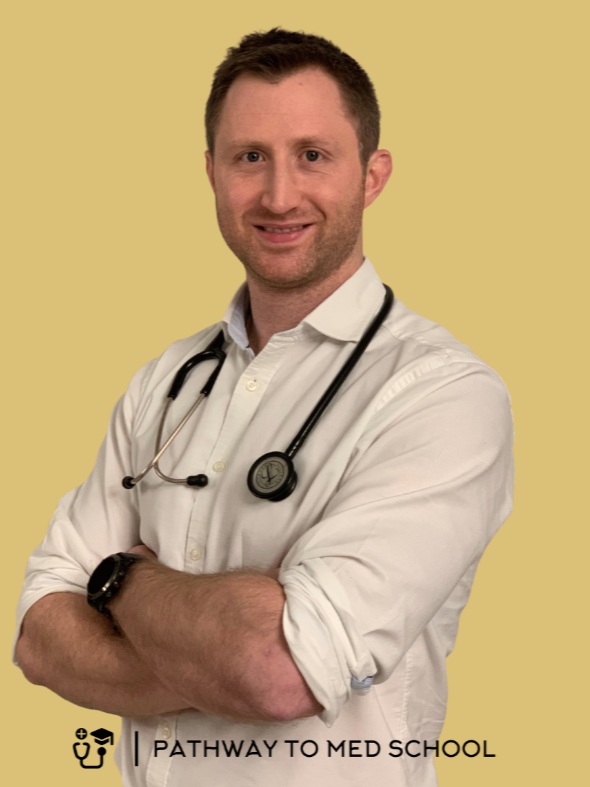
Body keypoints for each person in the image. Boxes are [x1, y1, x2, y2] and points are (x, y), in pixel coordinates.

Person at [13, 27, 514, 787]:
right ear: (212, 172)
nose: (279, 195)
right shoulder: (164, 382)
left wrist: (120, 581)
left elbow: (277, 671)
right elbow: (38, 635)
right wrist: (223, 651)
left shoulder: (444, 395)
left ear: (372, 175)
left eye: (313, 155)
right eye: (250, 157)